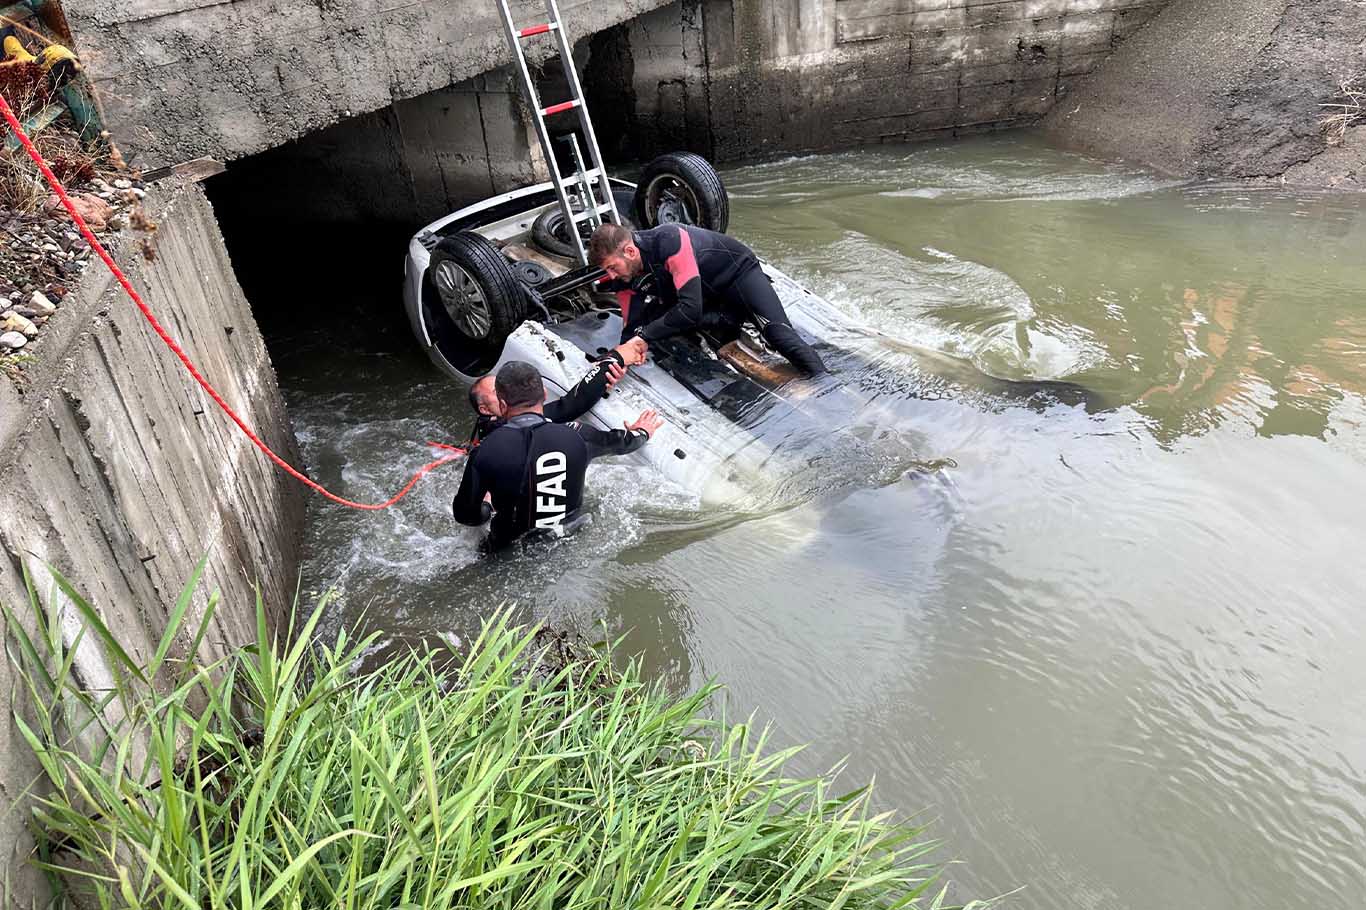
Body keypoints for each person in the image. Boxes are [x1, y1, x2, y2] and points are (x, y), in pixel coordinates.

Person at [453, 360, 663, 550]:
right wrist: (641, 432)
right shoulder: (579, 435)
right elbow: (622, 443)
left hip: (507, 551)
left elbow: (466, 516)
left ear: (503, 405)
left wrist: (489, 506)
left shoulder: (486, 451)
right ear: (545, 395)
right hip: (570, 541)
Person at [587, 222, 827, 377]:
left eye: (612, 267)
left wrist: (645, 336)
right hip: (702, 294)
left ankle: (828, 386)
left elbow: (690, 310)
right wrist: (620, 359)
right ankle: (726, 323)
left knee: (779, 336)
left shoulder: (669, 240)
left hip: (737, 276)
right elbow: (631, 326)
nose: (611, 275)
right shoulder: (623, 274)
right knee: (661, 325)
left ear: (629, 251)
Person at [466, 344, 636, 444]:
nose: (507, 390)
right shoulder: (507, 428)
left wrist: (604, 383)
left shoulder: (489, 426)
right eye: (497, 391)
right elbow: (570, 407)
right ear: (485, 410)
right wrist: (612, 361)